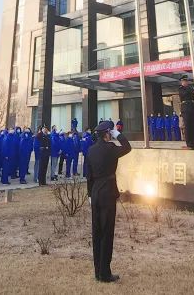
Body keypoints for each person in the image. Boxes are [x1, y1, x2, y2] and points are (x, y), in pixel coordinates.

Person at [86, 119, 132, 284]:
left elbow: (89, 175)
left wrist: (89, 195)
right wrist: (118, 134)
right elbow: (127, 147)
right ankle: (105, 273)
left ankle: (97, 271)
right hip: (107, 193)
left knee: (97, 232)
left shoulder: (91, 150)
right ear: (107, 134)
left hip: (95, 193)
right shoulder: (111, 148)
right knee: (106, 233)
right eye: (110, 132)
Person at [179, 76, 194, 150]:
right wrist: (189, 89)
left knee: (192, 126)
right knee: (187, 127)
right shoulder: (181, 89)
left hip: (192, 108)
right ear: (182, 82)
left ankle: (193, 143)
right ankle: (189, 144)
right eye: (184, 81)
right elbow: (185, 94)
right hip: (186, 108)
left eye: (186, 81)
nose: (186, 82)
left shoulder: (190, 88)